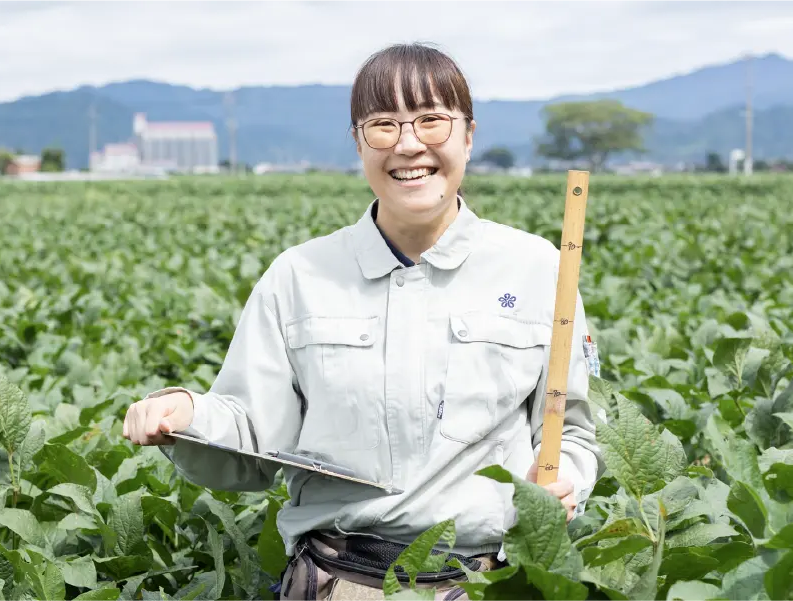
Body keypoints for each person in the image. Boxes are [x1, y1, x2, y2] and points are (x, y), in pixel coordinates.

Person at [122, 42, 604, 601]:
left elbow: (572, 428)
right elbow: (252, 434)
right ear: (358, 142)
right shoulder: (298, 275)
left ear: (468, 136)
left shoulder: (538, 266)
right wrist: (186, 414)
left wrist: (563, 478)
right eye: (383, 126)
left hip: (484, 584)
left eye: (431, 121)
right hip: (337, 581)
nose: (408, 144)